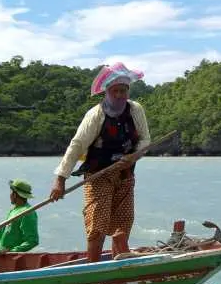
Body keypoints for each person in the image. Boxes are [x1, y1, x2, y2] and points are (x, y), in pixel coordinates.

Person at [49, 62, 150, 262]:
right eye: (116, 91)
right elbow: (76, 146)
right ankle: (92, 266)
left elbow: (145, 140)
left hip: (125, 174)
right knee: (97, 227)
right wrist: (60, 180)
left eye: (124, 90)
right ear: (107, 92)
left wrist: (134, 156)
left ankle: (119, 263)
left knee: (122, 224)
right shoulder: (96, 115)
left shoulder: (135, 110)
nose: (121, 95)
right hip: (98, 176)